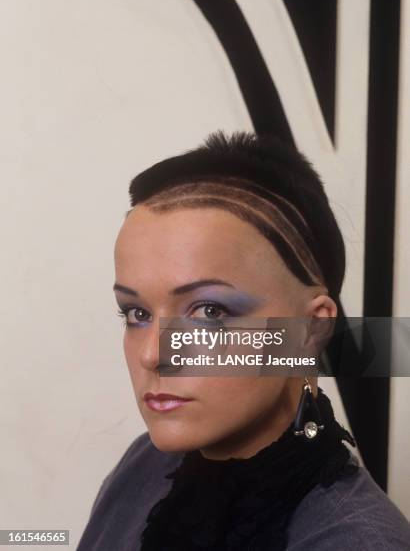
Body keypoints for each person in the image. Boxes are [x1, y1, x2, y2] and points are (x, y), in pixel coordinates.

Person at [77, 131, 410, 550]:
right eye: (137, 313)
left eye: (210, 312)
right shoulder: (145, 464)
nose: (153, 355)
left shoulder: (357, 541)